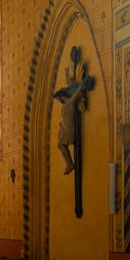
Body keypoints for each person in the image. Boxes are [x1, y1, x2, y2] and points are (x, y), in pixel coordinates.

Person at [53, 47, 95, 176]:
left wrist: (81, 86)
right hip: (66, 128)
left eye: (59, 99)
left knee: (60, 145)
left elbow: (76, 95)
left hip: (69, 130)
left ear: (62, 97)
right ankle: (69, 163)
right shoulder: (67, 104)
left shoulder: (69, 103)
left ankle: (70, 163)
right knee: (60, 144)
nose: (59, 101)